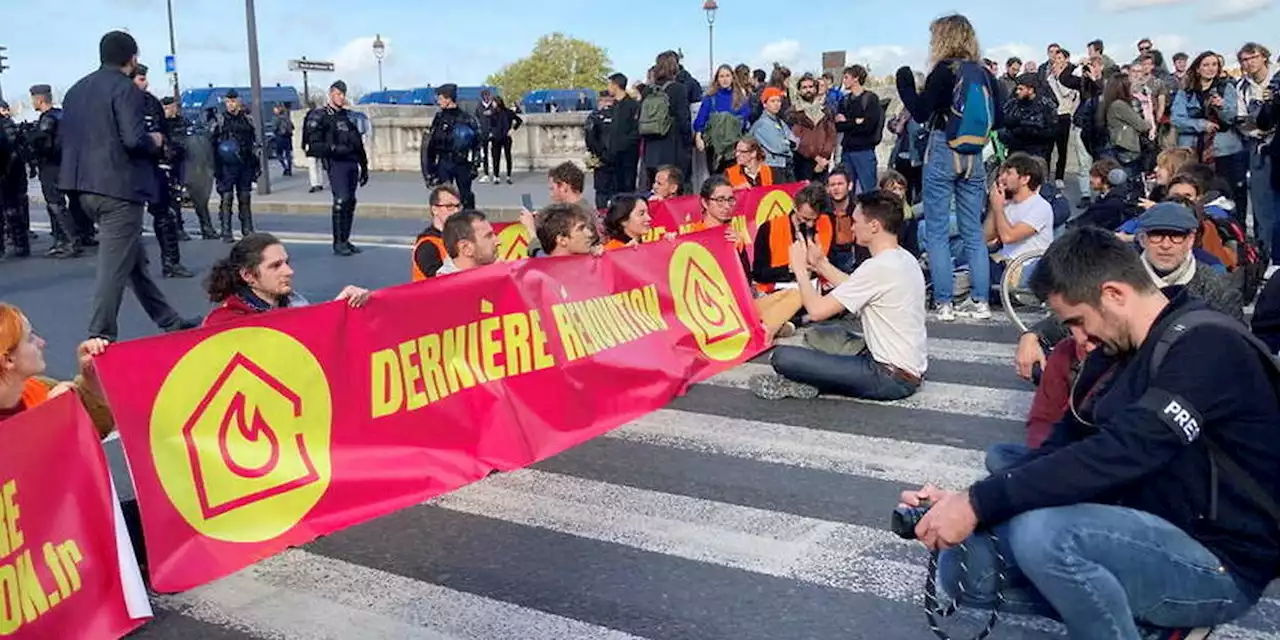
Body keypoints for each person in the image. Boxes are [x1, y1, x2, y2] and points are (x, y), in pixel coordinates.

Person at [910, 226, 1277, 640]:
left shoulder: (1209, 345)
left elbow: (1130, 449)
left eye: (1078, 323)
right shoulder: (1113, 354)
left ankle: (1160, 618)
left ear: (1115, 294)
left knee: (1046, 537)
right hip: (1142, 524)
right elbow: (1059, 448)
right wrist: (961, 504)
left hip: (1221, 561)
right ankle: (1135, 611)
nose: (1077, 339)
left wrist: (979, 503)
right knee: (964, 565)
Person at [59, 31, 199, 341]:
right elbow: (134, 139)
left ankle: (169, 320)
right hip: (118, 188)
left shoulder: (75, 90)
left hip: (82, 188)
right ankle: (101, 335)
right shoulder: (125, 89)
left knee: (131, 259)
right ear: (132, 58)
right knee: (113, 268)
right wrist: (157, 140)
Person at [749, 190, 926, 401]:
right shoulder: (903, 258)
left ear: (874, 226)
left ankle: (811, 382)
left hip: (887, 378)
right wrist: (821, 264)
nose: (851, 227)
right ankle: (818, 378)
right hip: (901, 366)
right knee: (823, 336)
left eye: (856, 221)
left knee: (782, 357)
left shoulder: (878, 267)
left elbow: (816, 311)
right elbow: (853, 286)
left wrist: (798, 269)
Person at [896, 14, 1002, 322]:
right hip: (974, 152)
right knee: (973, 230)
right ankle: (980, 301)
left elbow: (920, 111)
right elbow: (1001, 118)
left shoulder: (944, 70)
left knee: (939, 230)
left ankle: (944, 302)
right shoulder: (984, 73)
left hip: (943, 146)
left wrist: (905, 81)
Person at [203, 233, 371, 326]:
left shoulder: (296, 302)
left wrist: (341, 306)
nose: (289, 271)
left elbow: (316, 334)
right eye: (276, 266)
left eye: (287, 262)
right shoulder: (223, 323)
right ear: (248, 275)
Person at [0, 303, 112, 435]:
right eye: (30, 339)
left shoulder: (41, 387)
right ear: (8, 360)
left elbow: (98, 428)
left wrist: (91, 378)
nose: (41, 342)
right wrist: (48, 418)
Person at [134, 65, 193, 278]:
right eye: (141, 79)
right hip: (129, 168)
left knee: (165, 215)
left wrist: (168, 151)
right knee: (129, 221)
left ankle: (171, 263)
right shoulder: (120, 101)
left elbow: (163, 133)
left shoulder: (151, 102)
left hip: (153, 165)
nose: (145, 83)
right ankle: (133, 266)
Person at [303, 81, 369, 256]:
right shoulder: (321, 116)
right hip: (336, 163)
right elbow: (313, 145)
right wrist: (334, 150)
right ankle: (338, 242)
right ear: (331, 94)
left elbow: (358, 143)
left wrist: (364, 166)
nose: (341, 97)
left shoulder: (348, 116)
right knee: (341, 200)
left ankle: (345, 240)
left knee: (350, 202)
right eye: (338, 94)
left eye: (343, 94)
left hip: (351, 162)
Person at [26, 84, 85, 258]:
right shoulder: (62, 114)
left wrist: (30, 143)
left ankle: (71, 241)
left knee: (55, 204)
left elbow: (41, 143)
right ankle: (65, 240)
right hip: (66, 164)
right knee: (63, 203)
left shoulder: (47, 119)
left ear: (39, 99)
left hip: (51, 166)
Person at [210, 89, 259, 242]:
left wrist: (256, 165)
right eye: (228, 101)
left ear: (239, 101)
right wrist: (215, 168)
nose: (231, 104)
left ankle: (247, 228)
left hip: (244, 163)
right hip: (226, 165)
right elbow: (211, 144)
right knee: (227, 197)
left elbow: (254, 143)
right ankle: (226, 230)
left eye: (233, 101)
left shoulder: (247, 119)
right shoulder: (219, 120)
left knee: (245, 196)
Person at [423, 83, 481, 209]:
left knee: (466, 196)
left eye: (440, 98)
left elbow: (477, 142)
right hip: (444, 162)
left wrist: (475, 164)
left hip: (462, 163)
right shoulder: (439, 118)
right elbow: (431, 144)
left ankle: (468, 221)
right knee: (445, 197)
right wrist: (430, 169)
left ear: (449, 99)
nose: (438, 101)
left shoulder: (466, 118)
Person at [411, 185, 464, 281]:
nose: (456, 211)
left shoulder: (460, 237)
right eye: (449, 206)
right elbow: (440, 283)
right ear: (434, 210)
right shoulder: (427, 246)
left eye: (458, 206)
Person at [436, 210, 498, 275]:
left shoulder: (495, 274)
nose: (498, 242)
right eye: (488, 236)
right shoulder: (445, 284)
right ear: (465, 248)